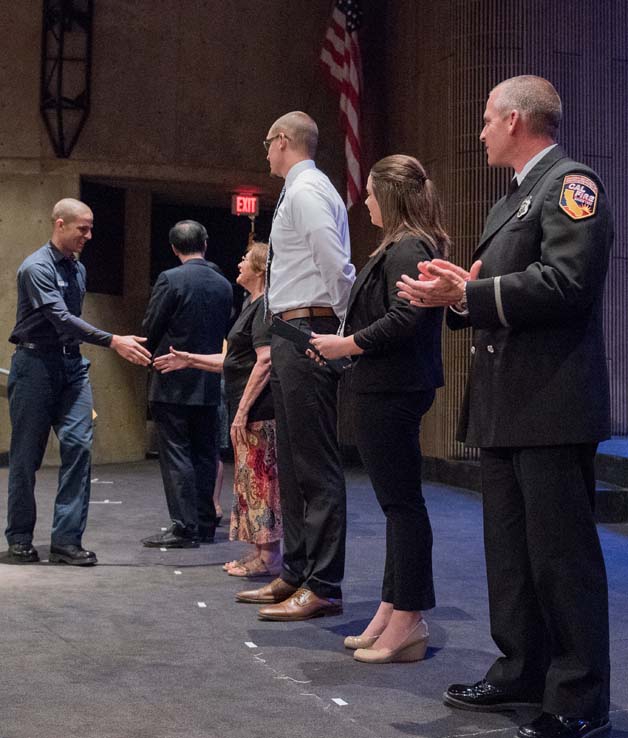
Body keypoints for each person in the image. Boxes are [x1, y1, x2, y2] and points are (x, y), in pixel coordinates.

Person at [397, 76, 612, 738]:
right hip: (505, 403)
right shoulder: (512, 201)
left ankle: (577, 698)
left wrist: (473, 291)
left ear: (517, 120)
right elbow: (490, 287)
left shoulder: (574, 187)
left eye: (488, 119)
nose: (481, 131)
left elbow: (568, 283)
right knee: (511, 551)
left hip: (551, 403)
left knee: (560, 556)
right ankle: (521, 668)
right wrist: (452, 295)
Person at [310, 155, 448, 662]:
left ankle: (409, 618)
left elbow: (404, 319)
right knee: (397, 506)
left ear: (387, 196)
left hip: (393, 387)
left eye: (369, 192)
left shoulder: (409, 246)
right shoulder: (401, 246)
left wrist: (345, 347)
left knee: (403, 506)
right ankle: (393, 607)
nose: (363, 201)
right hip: (383, 386)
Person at [235, 111, 355, 621]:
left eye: (267, 142)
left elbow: (336, 265)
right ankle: (298, 570)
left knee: (316, 465)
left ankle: (323, 583)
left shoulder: (307, 191)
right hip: (291, 331)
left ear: (282, 140)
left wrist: (345, 332)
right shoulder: (300, 190)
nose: (265, 152)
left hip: (308, 332)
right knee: (292, 463)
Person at [5, 197, 152, 566]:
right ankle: (20, 537)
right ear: (60, 224)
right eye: (81, 228)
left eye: (90, 228)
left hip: (71, 369)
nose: (88, 235)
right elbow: (59, 317)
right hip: (34, 365)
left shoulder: (77, 268)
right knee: (26, 457)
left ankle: (66, 542)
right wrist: (113, 340)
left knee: (79, 449)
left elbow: (71, 322)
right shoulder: (35, 268)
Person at [154, 241, 283, 575]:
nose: (238, 263)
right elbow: (234, 360)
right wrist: (188, 359)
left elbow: (264, 360)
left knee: (261, 483)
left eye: (244, 259)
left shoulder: (266, 306)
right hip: (247, 405)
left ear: (258, 268)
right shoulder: (251, 304)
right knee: (249, 481)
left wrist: (242, 410)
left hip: (260, 409)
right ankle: (260, 553)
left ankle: (270, 558)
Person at [140, 220, 232, 548]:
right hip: (208, 379)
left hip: (172, 379)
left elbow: (151, 328)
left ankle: (184, 526)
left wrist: (145, 353)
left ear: (174, 248)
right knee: (206, 453)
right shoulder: (223, 284)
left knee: (176, 452)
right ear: (204, 243)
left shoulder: (170, 279)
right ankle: (205, 522)